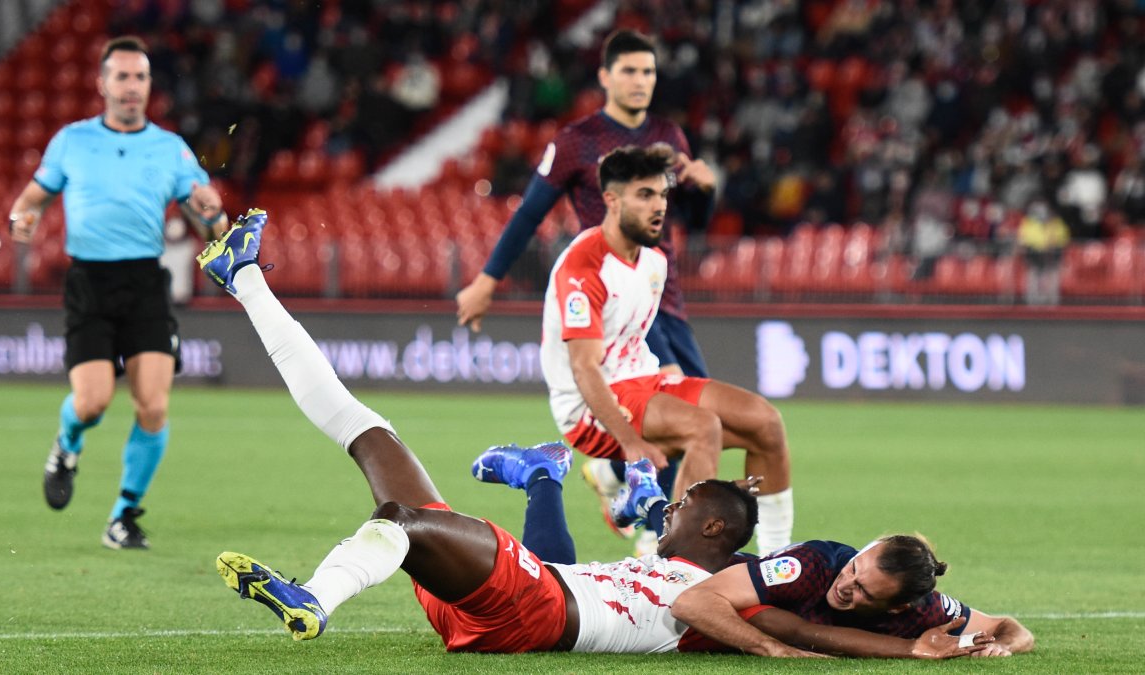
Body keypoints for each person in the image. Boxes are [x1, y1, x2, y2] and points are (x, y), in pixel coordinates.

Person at [199, 210, 988, 659]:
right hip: (493, 606)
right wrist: (989, 634)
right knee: (368, 433)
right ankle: (247, 277)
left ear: (712, 525)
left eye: (683, 505)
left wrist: (872, 646)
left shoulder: (724, 594)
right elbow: (984, 623)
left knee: (405, 521)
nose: (665, 509)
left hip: (535, 608)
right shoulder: (676, 556)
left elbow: (796, 623)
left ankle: (316, 598)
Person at [455, 29, 717, 537]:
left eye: (648, 72)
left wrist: (705, 190)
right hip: (611, 292)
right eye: (629, 71)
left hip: (665, 294)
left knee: (695, 417)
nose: (640, 81)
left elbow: (692, 216)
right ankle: (659, 538)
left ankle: (625, 486)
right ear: (605, 77)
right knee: (674, 416)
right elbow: (530, 213)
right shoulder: (576, 142)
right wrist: (488, 278)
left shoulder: (670, 137)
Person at [7, 36, 228, 549]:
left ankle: (123, 517)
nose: (132, 87)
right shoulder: (72, 141)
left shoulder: (171, 149)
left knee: (152, 405)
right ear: (103, 84)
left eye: (141, 77)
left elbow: (209, 229)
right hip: (90, 282)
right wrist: (24, 217)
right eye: (123, 77)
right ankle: (67, 445)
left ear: (150, 86)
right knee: (92, 403)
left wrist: (213, 211)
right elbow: (34, 197)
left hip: (146, 284)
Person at [540, 144, 794, 555]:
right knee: (702, 427)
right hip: (587, 407)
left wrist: (665, 379)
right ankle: (678, 565)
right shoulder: (584, 267)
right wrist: (630, 444)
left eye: (661, 194)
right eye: (645, 195)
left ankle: (774, 560)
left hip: (644, 381)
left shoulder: (654, 261)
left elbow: (635, 334)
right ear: (611, 199)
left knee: (765, 422)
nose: (658, 206)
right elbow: (585, 370)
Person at [671, 535, 1035, 657]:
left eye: (863, 590)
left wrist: (1001, 646)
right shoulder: (811, 565)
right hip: (680, 585)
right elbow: (692, 601)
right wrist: (771, 648)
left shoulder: (925, 611)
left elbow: (1010, 628)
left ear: (897, 607)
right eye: (854, 567)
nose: (845, 585)